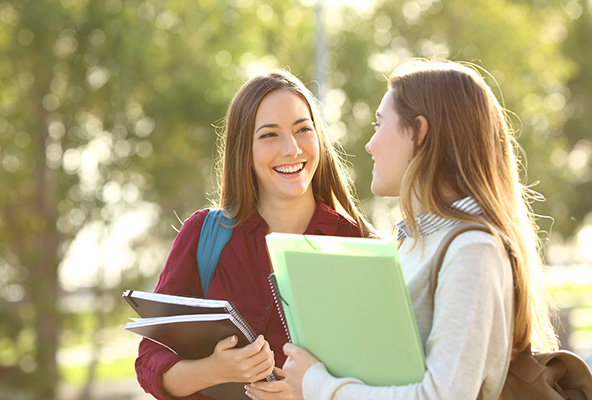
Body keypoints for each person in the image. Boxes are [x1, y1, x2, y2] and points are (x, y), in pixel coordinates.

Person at [264, 59, 559, 400]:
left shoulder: (473, 250)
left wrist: (319, 386)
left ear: (419, 132)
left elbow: (443, 396)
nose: (370, 145)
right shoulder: (415, 242)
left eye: (379, 124)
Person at [135, 70, 374, 400]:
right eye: (269, 135)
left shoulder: (359, 246)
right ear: (243, 149)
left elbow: (385, 379)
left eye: (303, 129)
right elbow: (150, 361)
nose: (291, 149)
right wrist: (215, 370)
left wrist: (309, 392)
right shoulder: (204, 235)